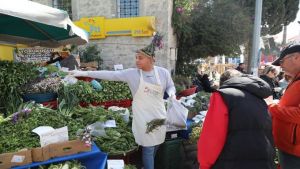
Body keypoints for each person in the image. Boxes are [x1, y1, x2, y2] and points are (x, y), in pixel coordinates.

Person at [70, 33, 176, 169]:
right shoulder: (132, 74)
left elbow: (170, 86)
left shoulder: (163, 73)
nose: (137, 61)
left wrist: (172, 94)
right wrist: (85, 73)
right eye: (136, 57)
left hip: (159, 114)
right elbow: (110, 74)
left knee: (157, 142)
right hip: (143, 117)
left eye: (140, 58)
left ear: (152, 59)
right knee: (148, 147)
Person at [197, 69, 275, 169]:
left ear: (223, 83)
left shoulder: (223, 95)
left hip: (231, 162)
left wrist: (204, 165)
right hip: (263, 162)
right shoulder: (259, 97)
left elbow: (212, 137)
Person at [269, 44, 300, 169]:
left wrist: (273, 107)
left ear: (296, 57)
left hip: (295, 151)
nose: (280, 66)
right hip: (290, 148)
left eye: (282, 61)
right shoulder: (296, 78)